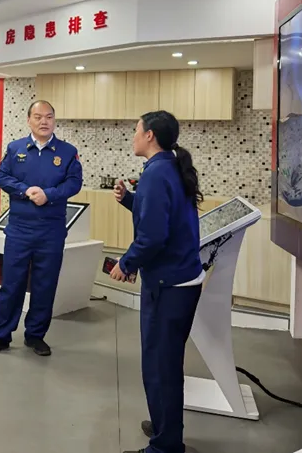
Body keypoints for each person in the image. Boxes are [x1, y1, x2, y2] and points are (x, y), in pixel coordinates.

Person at [110, 110, 204, 453]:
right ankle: (165, 426)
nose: (133, 136)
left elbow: (152, 237)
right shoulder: (169, 167)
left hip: (168, 285)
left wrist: (125, 263)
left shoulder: (156, 174)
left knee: (160, 367)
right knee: (164, 364)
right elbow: (163, 215)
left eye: (136, 130)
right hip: (181, 280)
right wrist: (129, 200)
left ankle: (165, 445)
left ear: (150, 135)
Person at [0, 100, 82, 358]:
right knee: (11, 283)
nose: (43, 121)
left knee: (45, 284)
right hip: (20, 229)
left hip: (51, 230)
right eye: (38, 117)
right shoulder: (15, 148)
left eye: (49, 117)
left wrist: (49, 194)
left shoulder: (68, 152)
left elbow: (74, 183)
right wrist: (25, 190)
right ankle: (0, 335)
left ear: (54, 120)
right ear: (29, 120)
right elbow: (2, 176)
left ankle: (36, 335)